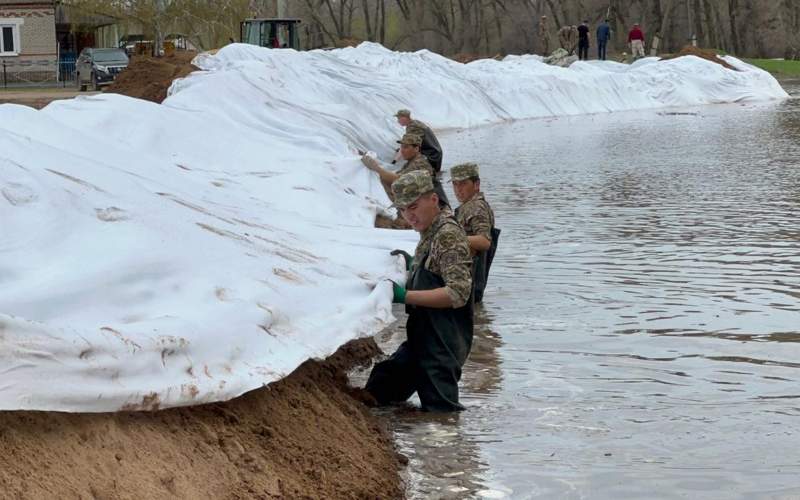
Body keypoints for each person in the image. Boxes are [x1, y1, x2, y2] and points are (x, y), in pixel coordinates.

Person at [365, 171, 474, 412]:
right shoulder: (429, 231)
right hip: (423, 336)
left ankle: (452, 449)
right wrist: (413, 265)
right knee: (381, 386)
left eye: (414, 206)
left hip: (442, 342)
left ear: (433, 200)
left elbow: (458, 293)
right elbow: (436, 268)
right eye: (403, 209)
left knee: (441, 416)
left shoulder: (447, 235)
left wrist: (405, 296)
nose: (409, 215)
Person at [450, 163, 499, 304]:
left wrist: (451, 238)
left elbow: (484, 242)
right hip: (467, 280)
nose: (458, 190)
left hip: (468, 281)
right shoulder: (468, 206)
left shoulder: (476, 207)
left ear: (476, 184)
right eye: (455, 184)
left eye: (463, 184)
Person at [361, 133, 450, 207]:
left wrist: (376, 168)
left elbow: (398, 180)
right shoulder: (411, 162)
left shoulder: (419, 163)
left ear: (416, 149)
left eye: (406, 147)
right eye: (401, 147)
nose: (402, 151)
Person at [394, 109, 443, 174]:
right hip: (434, 152)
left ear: (404, 118)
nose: (398, 121)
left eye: (399, 118)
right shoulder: (415, 123)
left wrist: (394, 161)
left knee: (429, 175)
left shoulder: (413, 127)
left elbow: (408, 143)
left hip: (431, 155)